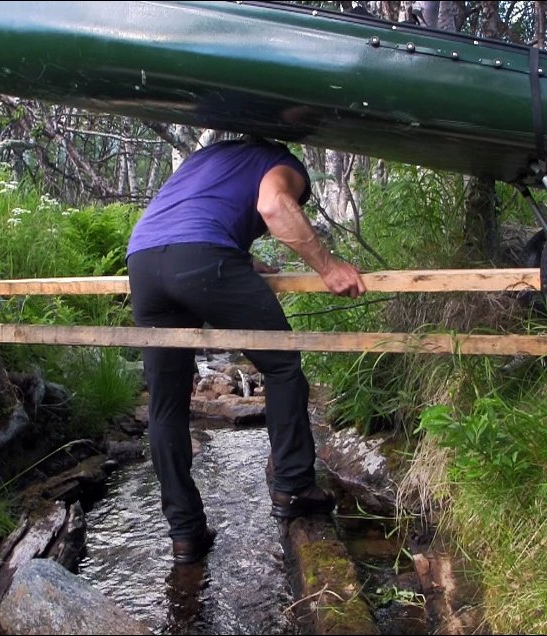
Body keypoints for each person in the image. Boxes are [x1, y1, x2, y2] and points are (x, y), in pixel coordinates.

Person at [126, 135, 367, 565]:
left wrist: (243, 261)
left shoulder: (207, 156)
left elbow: (192, 214)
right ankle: (293, 486)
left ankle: (185, 533)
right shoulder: (282, 163)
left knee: (165, 404)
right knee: (282, 365)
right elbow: (274, 207)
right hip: (201, 255)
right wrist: (330, 268)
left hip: (143, 259)